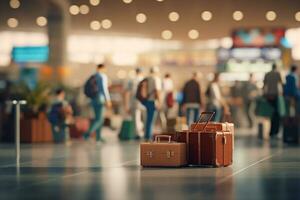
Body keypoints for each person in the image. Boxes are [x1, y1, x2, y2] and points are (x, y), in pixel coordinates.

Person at [83, 64, 111, 143]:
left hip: (93, 99)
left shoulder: (93, 76)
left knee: (98, 118)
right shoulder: (102, 76)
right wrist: (108, 100)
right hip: (100, 99)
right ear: (102, 68)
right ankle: (87, 134)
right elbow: (104, 89)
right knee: (99, 119)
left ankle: (98, 137)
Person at [263, 63, 283, 137]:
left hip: (268, 96)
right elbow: (280, 84)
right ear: (276, 67)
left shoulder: (267, 74)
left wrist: (265, 95)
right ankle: (275, 131)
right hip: (276, 96)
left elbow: (264, 85)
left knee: (270, 113)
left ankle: (271, 131)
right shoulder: (278, 74)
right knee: (277, 114)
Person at [142, 67, 162, 140]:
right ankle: (149, 136)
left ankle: (146, 135)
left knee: (148, 119)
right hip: (153, 101)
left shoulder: (147, 79)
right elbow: (157, 91)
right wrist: (159, 102)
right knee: (152, 120)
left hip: (147, 101)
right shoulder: (156, 79)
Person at [125, 68, 145, 139]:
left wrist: (127, 105)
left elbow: (127, 93)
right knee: (144, 118)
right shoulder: (144, 80)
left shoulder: (132, 80)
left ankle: (138, 134)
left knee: (136, 118)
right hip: (144, 103)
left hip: (135, 102)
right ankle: (144, 133)